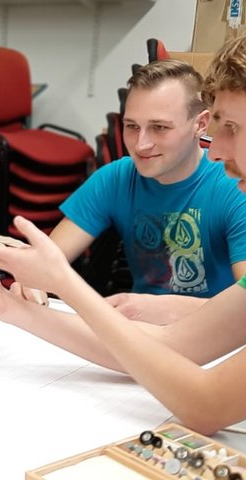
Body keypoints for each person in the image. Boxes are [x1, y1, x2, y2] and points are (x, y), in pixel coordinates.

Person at [0, 34, 246, 435]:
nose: (216, 150)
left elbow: (206, 405)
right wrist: (5, 304)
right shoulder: (117, 178)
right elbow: (168, 347)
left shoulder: (227, 192)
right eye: (132, 126)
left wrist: (65, 283)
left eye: (232, 127)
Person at [47, 59, 246, 324]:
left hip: (221, 338)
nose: (141, 144)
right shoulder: (117, 177)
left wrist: (173, 310)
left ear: (200, 124)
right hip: (139, 329)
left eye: (159, 127)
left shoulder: (236, 186)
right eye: (132, 126)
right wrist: (30, 278)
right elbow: (49, 258)